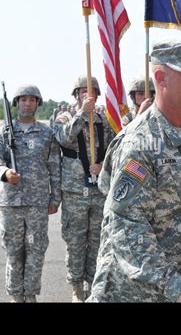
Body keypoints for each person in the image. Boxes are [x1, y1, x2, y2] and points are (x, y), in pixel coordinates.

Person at [87, 38, 181, 302]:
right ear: (160, 77)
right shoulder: (139, 143)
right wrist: (174, 286)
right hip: (136, 290)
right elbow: (125, 225)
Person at [0, 84, 61, 303]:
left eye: (32, 100)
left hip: (38, 203)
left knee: (36, 251)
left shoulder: (47, 134)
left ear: (37, 103)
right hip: (10, 202)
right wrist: (5, 173)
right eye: (23, 100)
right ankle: (15, 296)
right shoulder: (2, 133)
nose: (27, 104)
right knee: (13, 251)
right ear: (16, 103)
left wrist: (55, 198)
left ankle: (30, 295)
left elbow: (54, 167)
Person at [53, 75, 114, 302]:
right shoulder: (64, 117)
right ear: (76, 94)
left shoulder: (102, 120)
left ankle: (93, 283)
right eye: (82, 92)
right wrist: (81, 114)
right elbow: (62, 138)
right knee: (76, 240)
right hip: (75, 189)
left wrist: (103, 165)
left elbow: (113, 148)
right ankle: (77, 287)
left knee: (97, 239)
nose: (88, 95)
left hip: (98, 189)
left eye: (92, 92)